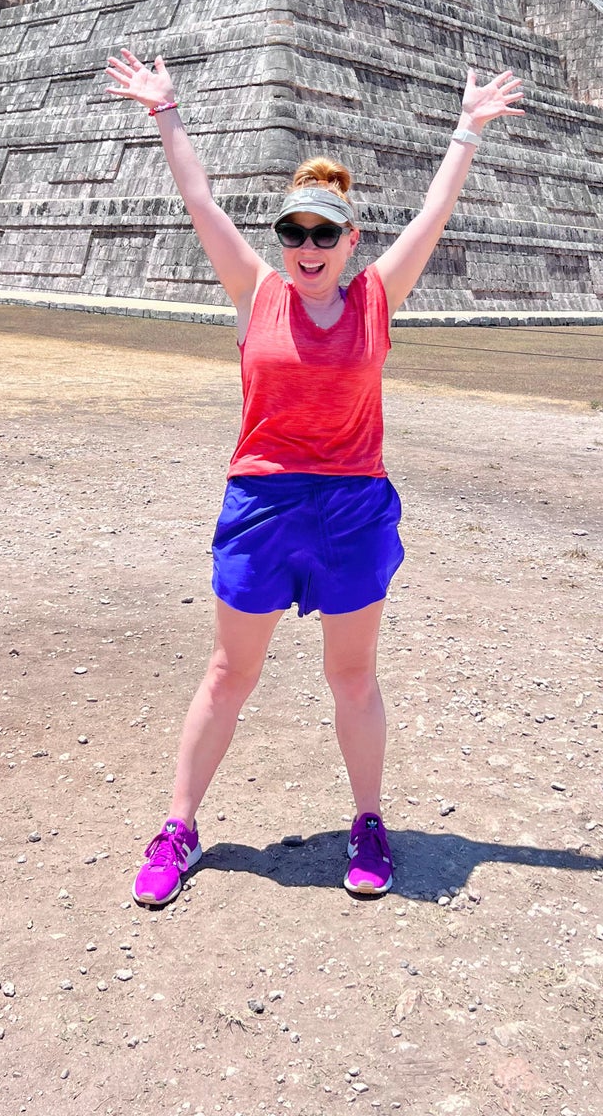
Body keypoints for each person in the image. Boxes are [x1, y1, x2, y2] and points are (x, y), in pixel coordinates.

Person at [103, 47, 523, 901]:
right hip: (262, 499)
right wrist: (166, 112)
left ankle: (369, 823)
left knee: (353, 676)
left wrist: (465, 133)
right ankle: (179, 828)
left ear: (348, 239)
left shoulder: (375, 297)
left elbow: (434, 217)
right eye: (293, 232)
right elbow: (199, 199)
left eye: (322, 233)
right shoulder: (254, 291)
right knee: (230, 672)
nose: (305, 247)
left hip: (353, 504)